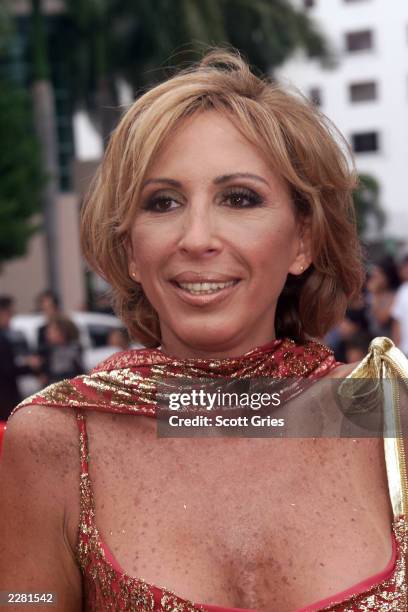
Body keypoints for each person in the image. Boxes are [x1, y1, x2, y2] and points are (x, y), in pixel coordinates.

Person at [1, 50, 408, 611]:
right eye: (162, 202)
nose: (196, 237)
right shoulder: (57, 441)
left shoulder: (387, 418)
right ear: (131, 249)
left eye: (239, 198)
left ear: (303, 241)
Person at [0, 295, 41, 420]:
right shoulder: (2, 340)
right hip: (5, 396)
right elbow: (8, 370)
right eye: (8, 314)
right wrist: (29, 366)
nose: (10, 319)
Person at [366, 256, 400, 338]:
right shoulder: (370, 292)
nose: (374, 278)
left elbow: (381, 320)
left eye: (377, 275)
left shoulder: (394, 295)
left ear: (387, 277)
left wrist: (375, 294)